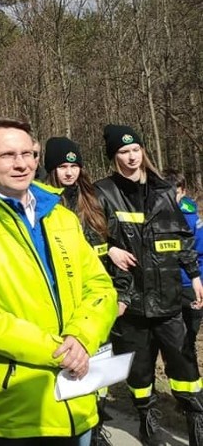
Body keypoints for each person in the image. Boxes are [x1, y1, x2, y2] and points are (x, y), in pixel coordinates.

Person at [0, 118, 117, 444]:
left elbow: (100, 286)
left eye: (29, 153)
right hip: (18, 407)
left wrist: (82, 337)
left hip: (79, 397)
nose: (22, 163)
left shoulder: (62, 216)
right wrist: (59, 351)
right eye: (8, 155)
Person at [94, 125, 203, 446]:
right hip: (131, 298)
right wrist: (108, 248)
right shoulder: (103, 192)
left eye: (135, 150)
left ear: (143, 152)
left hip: (168, 294)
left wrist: (194, 276)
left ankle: (195, 417)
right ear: (114, 157)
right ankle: (147, 417)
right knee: (140, 368)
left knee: (183, 361)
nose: (131, 157)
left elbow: (181, 237)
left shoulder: (164, 190)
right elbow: (85, 239)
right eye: (123, 152)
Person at [44, 136, 130, 445]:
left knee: (99, 368)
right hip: (62, 302)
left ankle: (95, 426)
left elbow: (121, 249)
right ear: (51, 169)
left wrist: (123, 295)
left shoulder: (95, 200)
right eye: (63, 167)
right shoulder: (43, 202)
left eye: (74, 166)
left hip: (97, 300)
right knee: (68, 366)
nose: (69, 173)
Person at [164, 168, 203, 366]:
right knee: (168, 337)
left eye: (176, 192)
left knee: (189, 335)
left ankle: (191, 383)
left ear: (183, 191)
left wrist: (199, 281)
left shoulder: (191, 217)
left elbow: (200, 252)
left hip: (189, 285)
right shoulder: (154, 214)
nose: (172, 197)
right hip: (164, 285)